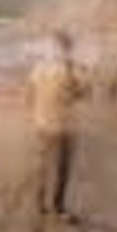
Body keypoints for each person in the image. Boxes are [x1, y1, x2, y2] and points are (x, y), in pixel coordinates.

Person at [31, 31, 82, 219]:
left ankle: (39, 205)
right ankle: (58, 208)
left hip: (40, 124)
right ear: (67, 50)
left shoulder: (38, 68)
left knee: (43, 166)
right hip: (62, 126)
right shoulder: (68, 71)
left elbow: (30, 93)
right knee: (62, 168)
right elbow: (80, 92)